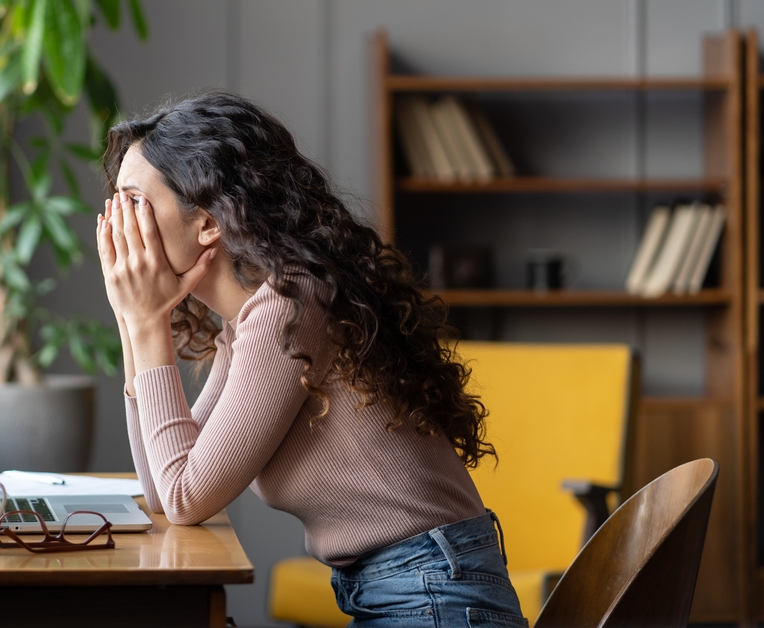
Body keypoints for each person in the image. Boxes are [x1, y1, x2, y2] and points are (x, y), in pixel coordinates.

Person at [95, 91, 526, 628]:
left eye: (133, 202)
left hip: (435, 595)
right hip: (409, 588)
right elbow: (163, 489)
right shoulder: (250, 322)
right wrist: (131, 318)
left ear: (207, 222)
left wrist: (145, 322)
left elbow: (185, 497)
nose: (114, 224)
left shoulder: (292, 303)